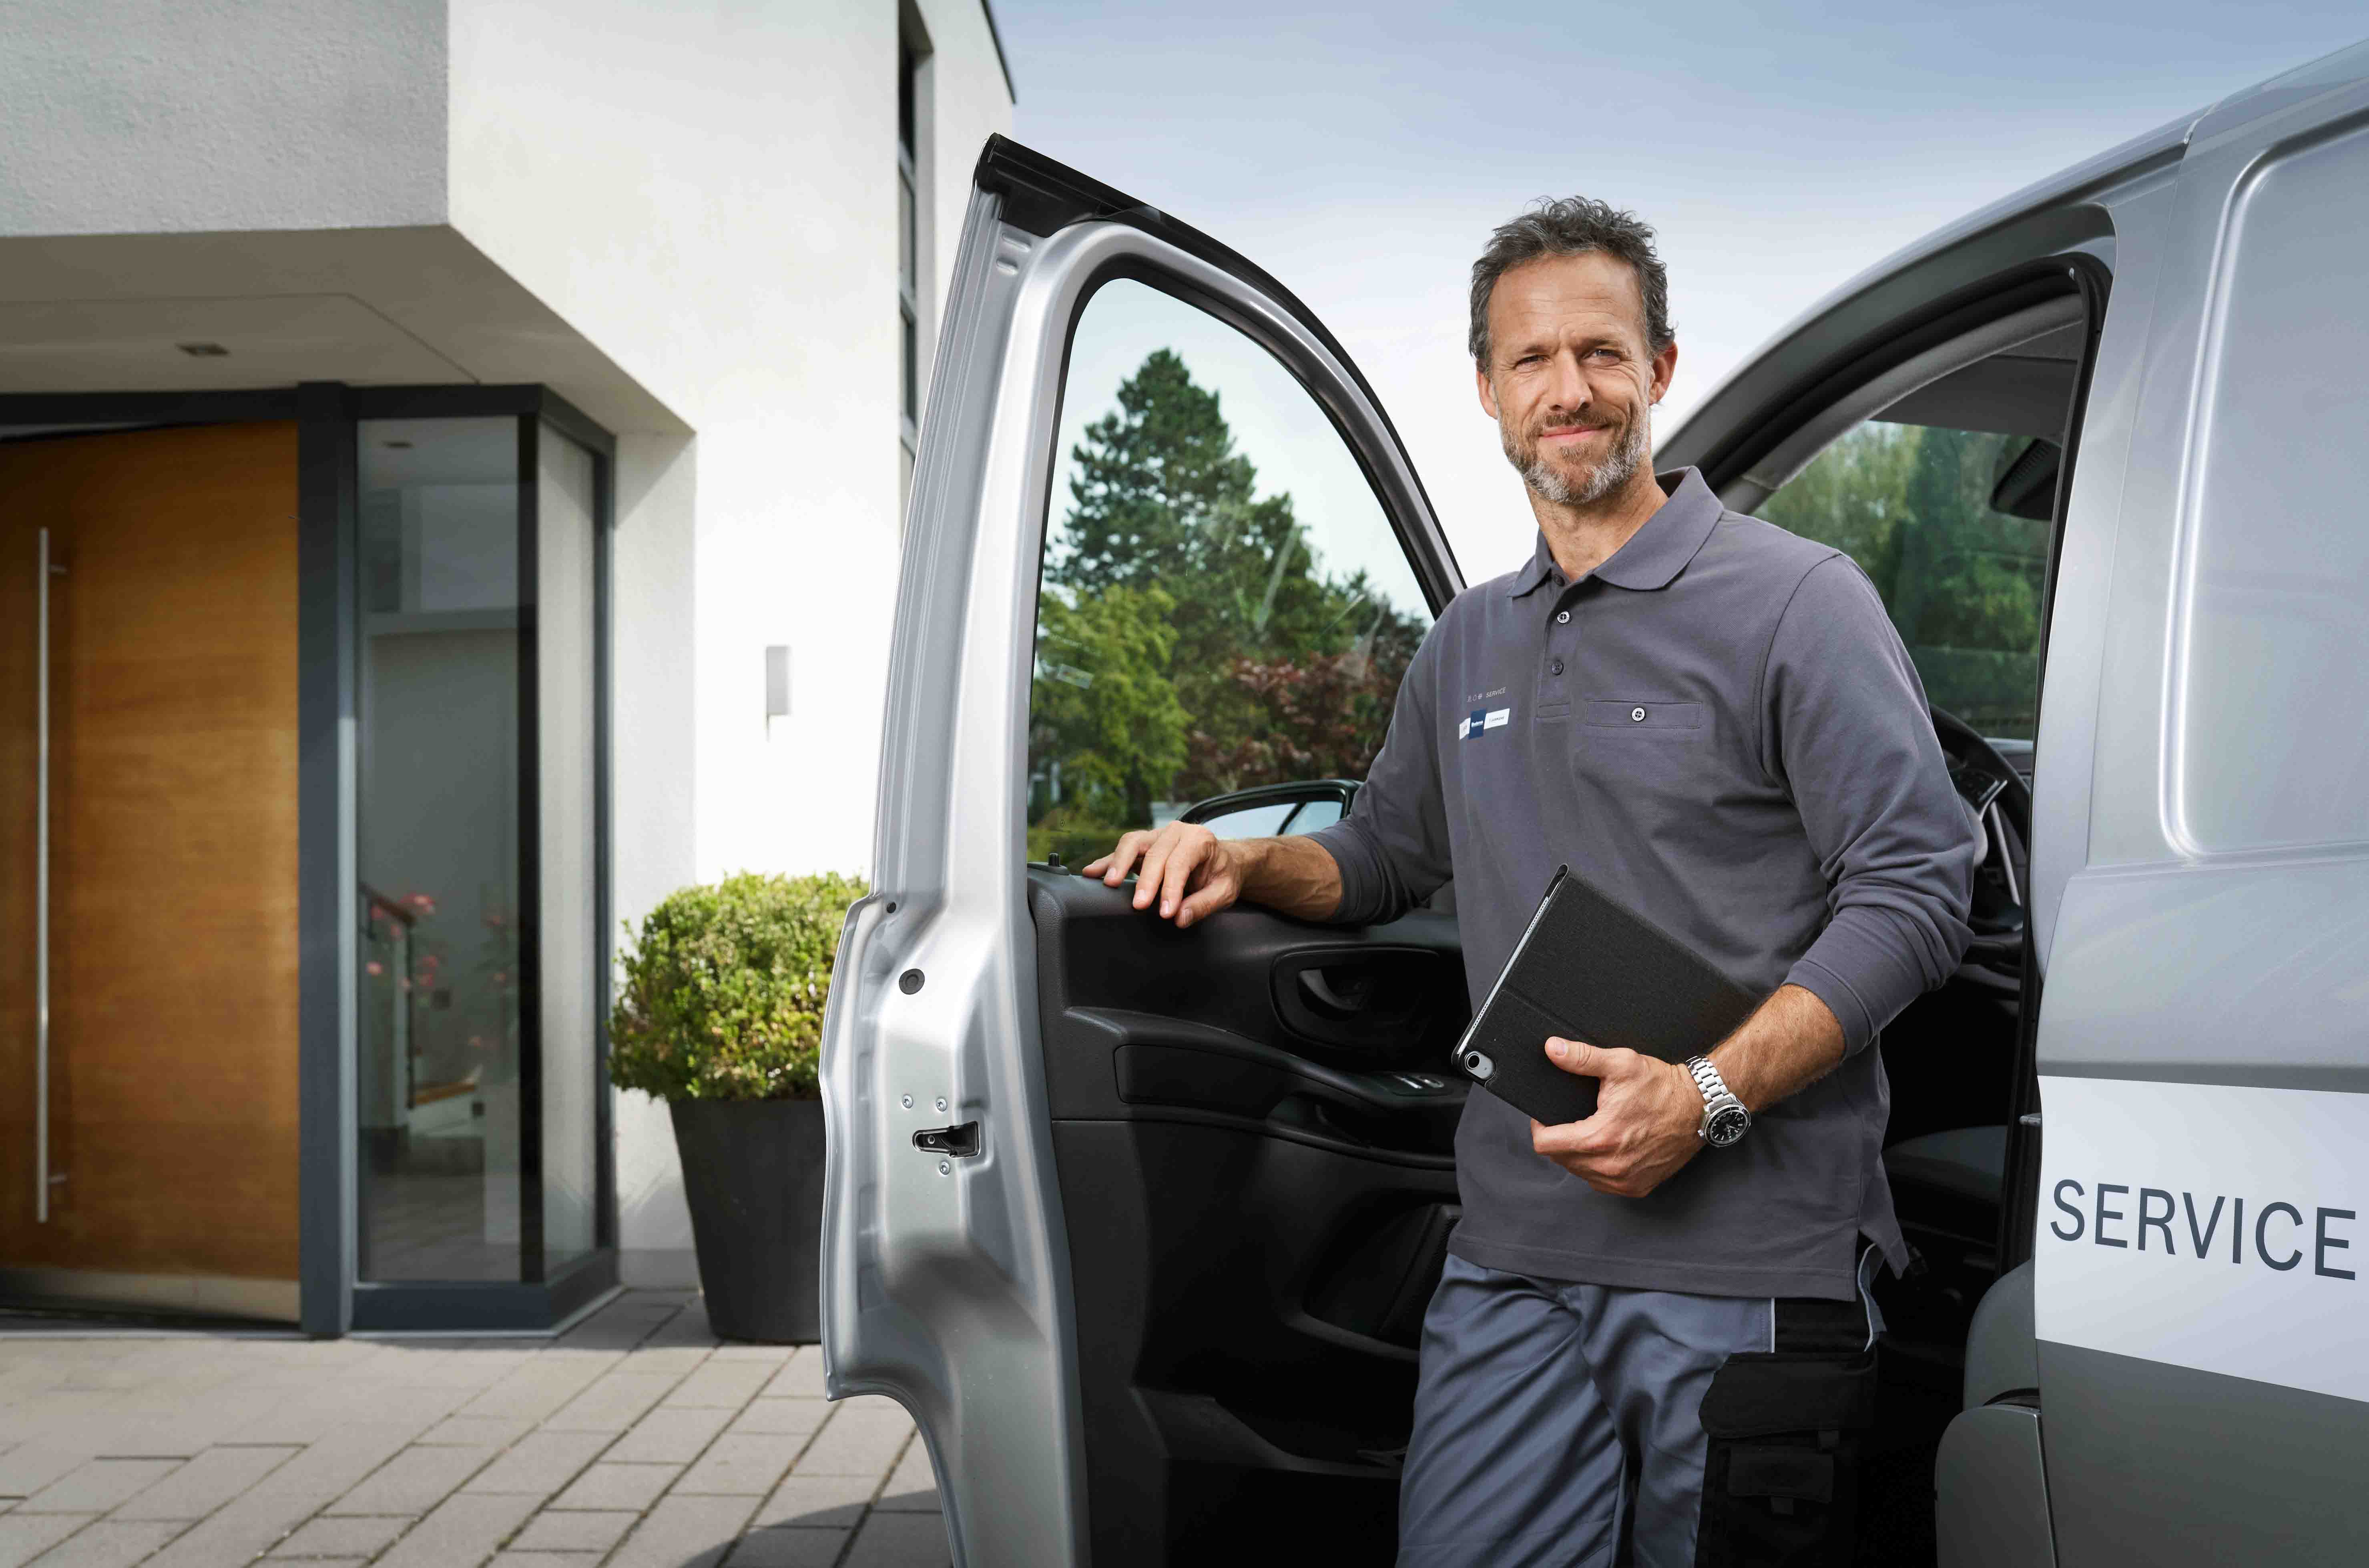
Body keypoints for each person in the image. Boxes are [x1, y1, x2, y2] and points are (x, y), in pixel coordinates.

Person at [1081, 197, 1978, 1566]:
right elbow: (1383, 855)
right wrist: (1242, 856)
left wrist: (1706, 1096)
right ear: (1491, 393)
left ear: (1660, 371)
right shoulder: (1465, 645)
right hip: (1513, 1264)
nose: (1571, 390)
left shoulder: (1802, 603)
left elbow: (1917, 891)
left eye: (1603, 354)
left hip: (1748, 1269)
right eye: (1534, 361)